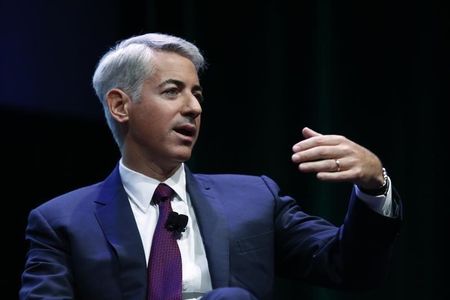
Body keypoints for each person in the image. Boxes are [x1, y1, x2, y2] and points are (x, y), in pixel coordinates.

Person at [19, 33, 401, 300]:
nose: (194, 107)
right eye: (172, 91)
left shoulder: (255, 199)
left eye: (197, 93)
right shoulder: (62, 222)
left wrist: (374, 187)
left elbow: (350, 268)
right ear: (120, 106)